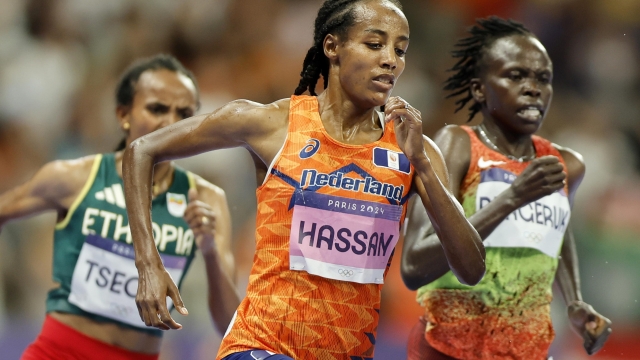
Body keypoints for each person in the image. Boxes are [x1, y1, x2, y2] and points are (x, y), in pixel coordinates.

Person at [121, 1, 486, 359]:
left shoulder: (413, 151)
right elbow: (142, 151)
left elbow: (471, 268)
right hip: (260, 345)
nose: (390, 59)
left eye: (400, 49)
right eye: (374, 44)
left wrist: (420, 163)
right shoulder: (272, 124)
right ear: (332, 47)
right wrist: (149, 264)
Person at [0, 54, 239, 360]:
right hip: (58, 351)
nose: (171, 122)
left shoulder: (206, 199)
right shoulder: (76, 178)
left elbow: (229, 324)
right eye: (157, 109)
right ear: (123, 114)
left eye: (185, 113)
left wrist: (209, 250)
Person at [401, 17, 612, 360]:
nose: (533, 88)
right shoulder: (457, 146)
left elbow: (558, 232)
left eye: (543, 78)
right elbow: (414, 266)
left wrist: (574, 300)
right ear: (479, 89)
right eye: (516, 76)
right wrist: (512, 198)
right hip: (446, 350)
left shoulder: (565, 163)